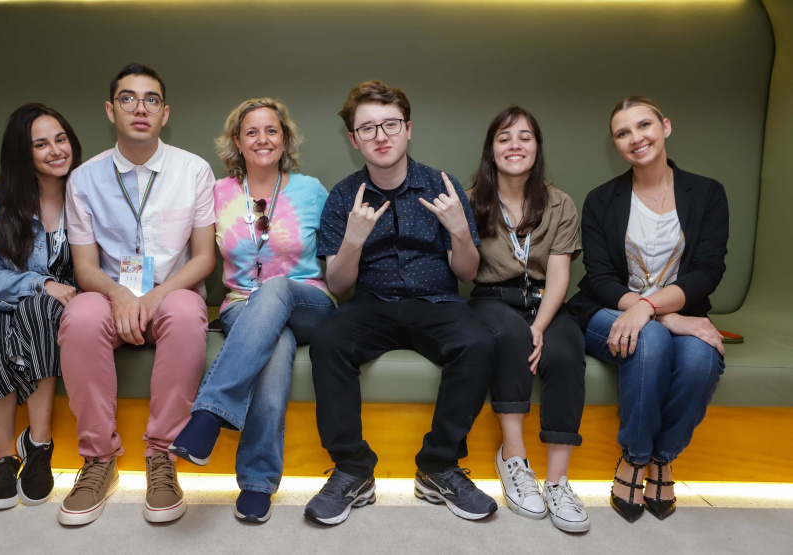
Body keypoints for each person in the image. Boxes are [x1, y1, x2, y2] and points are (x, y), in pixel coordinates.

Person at [304, 80, 498, 526]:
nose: (381, 135)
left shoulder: (441, 186)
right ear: (354, 141)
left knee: (478, 342)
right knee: (329, 337)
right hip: (372, 302)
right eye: (368, 128)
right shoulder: (344, 196)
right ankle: (352, 469)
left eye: (390, 124)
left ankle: (438, 467)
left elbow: (468, 272)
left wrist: (460, 231)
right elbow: (337, 285)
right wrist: (352, 242)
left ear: (408, 129)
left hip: (436, 301)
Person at [57, 63, 217, 526]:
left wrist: (153, 296)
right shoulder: (84, 178)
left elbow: (203, 257)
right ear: (111, 110)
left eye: (150, 100)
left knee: (188, 314)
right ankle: (99, 460)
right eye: (128, 99)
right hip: (109, 295)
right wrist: (120, 296)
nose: (139, 108)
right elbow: (85, 268)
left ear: (165, 113)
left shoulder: (193, 170)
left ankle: (162, 456)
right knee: (81, 318)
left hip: (173, 292)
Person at [168, 98, 335, 523]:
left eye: (271, 130)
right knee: (274, 344)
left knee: (278, 287)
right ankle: (258, 482)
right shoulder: (218, 192)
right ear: (237, 143)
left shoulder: (311, 189)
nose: (263, 139)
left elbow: (340, 261)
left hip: (308, 301)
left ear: (285, 139)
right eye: (252, 132)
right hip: (243, 306)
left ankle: (208, 414)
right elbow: (199, 254)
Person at [569, 96, 728, 523]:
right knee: (651, 339)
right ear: (616, 144)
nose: (635, 138)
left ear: (665, 127)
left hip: (678, 310)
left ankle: (663, 458)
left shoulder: (708, 193)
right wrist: (652, 313)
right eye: (623, 133)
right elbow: (600, 278)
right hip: (607, 311)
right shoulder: (601, 200)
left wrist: (653, 307)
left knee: (701, 359)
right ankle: (634, 458)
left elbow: (707, 271)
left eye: (644, 126)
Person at [466, 106, 589, 532]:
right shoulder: (472, 202)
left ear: (537, 147)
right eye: (504, 138)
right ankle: (513, 460)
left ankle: (558, 481)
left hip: (546, 300)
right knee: (510, 337)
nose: (514, 145)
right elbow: (462, 269)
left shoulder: (560, 203)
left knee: (568, 348)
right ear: (491, 149)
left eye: (524, 137)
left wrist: (540, 326)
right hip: (492, 298)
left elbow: (559, 276)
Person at [0, 103, 81, 510]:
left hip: (53, 309)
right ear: (20, 153)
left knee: (41, 313)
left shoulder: (87, 196)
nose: (55, 150)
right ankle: (3, 458)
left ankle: (40, 444)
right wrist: (40, 282)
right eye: (41, 144)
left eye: (60, 139)